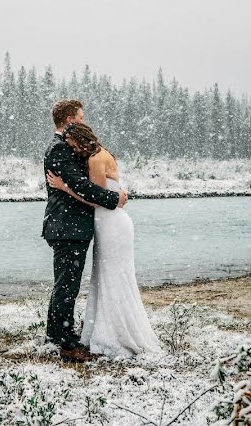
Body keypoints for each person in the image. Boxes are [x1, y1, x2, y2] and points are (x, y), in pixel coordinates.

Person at [46, 122, 161, 358]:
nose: (72, 149)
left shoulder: (96, 159)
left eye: (73, 145)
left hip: (110, 224)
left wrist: (64, 187)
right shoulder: (95, 154)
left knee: (110, 278)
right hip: (105, 224)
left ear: (79, 140)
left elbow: (93, 195)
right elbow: (91, 190)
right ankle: (77, 334)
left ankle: (108, 333)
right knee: (101, 279)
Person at [42, 99, 128, 363]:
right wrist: (113, 200)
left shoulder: (69, 147)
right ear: (69, 119)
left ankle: (56, 336)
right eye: (80, 116)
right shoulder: (60, 149)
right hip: (67, 227)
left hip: (71, 226)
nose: (83, 120)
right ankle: (66, 344)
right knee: (67, 286)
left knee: (66, 284)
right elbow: (80, 185)